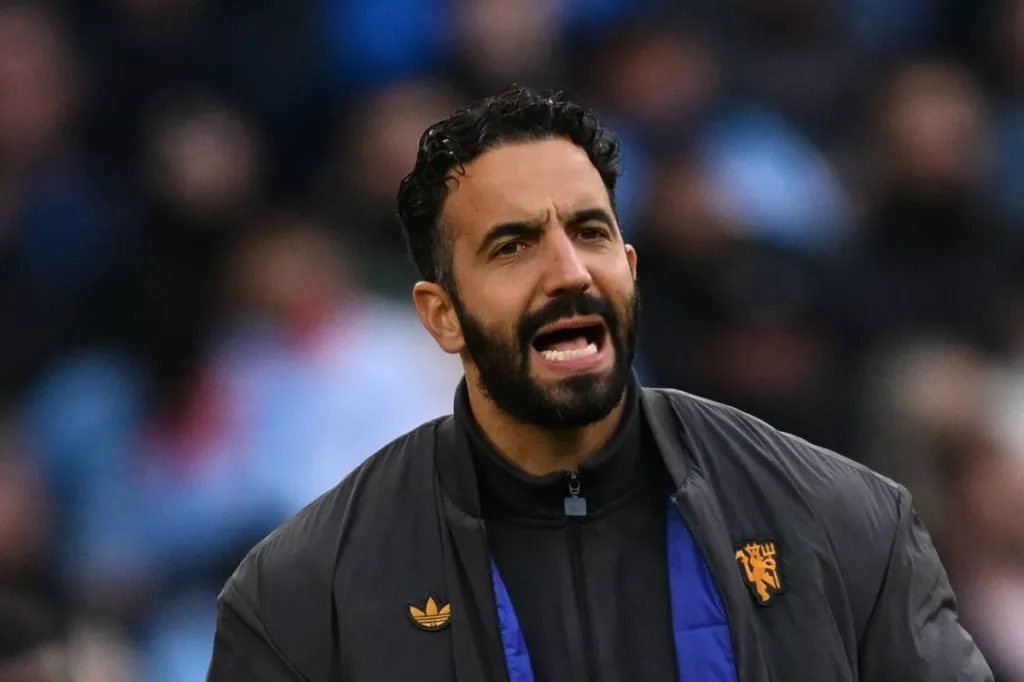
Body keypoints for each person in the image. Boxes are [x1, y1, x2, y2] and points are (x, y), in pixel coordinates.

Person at [206, 86, 992, 681]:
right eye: (513, 247)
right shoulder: (304, 595)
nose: (570, 273)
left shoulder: (849, 525)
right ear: (443, 316)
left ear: (631, 268)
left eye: (590, 232)